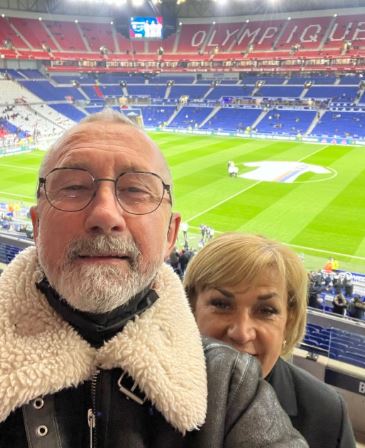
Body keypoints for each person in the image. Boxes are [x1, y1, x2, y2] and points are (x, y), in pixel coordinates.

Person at [0, 111, 307, 447]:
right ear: (37, 225)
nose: (105, 214)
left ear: (170, 235)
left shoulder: (229, 386)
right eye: (73, 187)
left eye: (135, 190)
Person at [184, 232, 356, 448]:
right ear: (190, 307)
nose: (242, 332)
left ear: (289, 320)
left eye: (265, 310)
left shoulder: (326, 413)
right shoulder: (148, 392)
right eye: (221, 304)